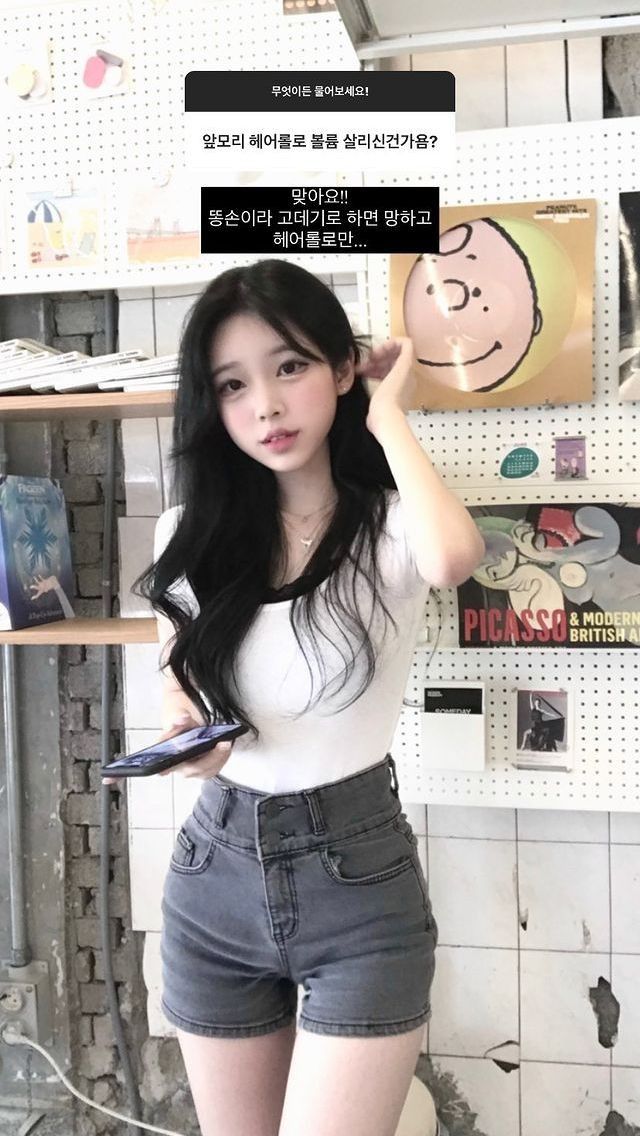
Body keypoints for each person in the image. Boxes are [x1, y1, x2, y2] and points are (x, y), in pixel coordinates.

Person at [127, 259, 484, 1136]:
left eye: (289, 366)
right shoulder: (189, 536)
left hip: (358, 889)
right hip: (213, 879)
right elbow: (180, 692)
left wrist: (389, 412)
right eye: (233, 385)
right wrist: (188, 738)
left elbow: (453, 560)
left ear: (340, 367)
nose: (267, 406)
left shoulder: (392, 525)